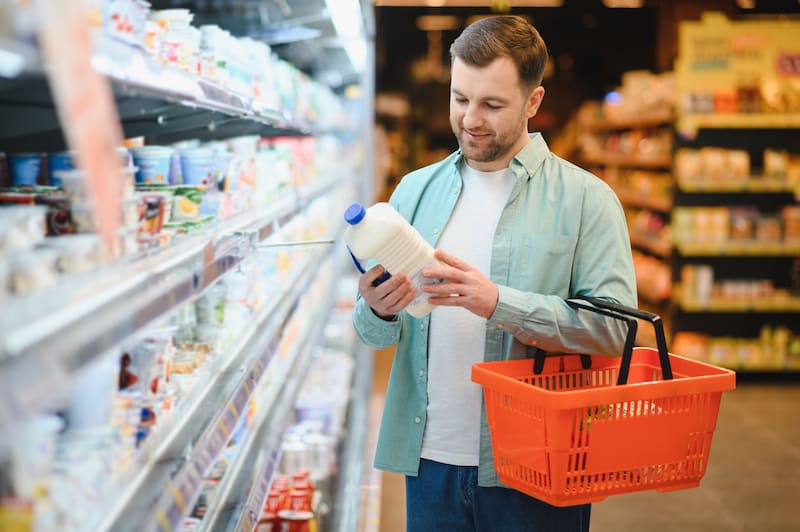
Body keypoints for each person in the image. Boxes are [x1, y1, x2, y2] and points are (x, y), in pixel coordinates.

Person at [352, 15, 637, 532]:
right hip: (430, 461)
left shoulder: (586, 200)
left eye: (492, 104)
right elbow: (371, 332)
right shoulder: (414, 191)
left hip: (537, 463)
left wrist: (497, 302)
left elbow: (615, 330)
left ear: (533, 102)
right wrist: (377, 307)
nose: (471, 120)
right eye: (461, 99)